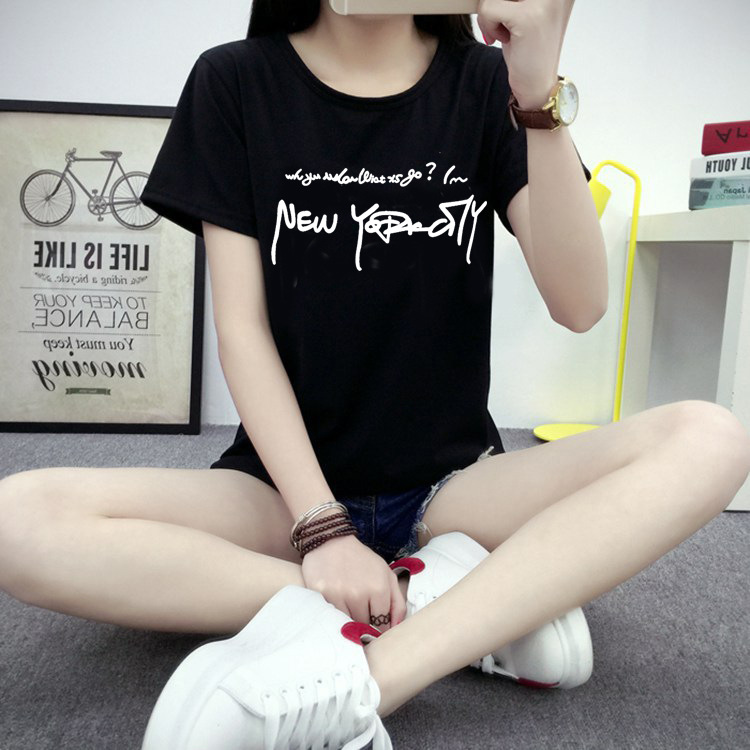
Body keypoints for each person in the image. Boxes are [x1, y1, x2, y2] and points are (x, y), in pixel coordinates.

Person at [1, 1, 749, 748]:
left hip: (453, 488)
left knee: (709, 440)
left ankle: (385, 671)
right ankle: (450, 599)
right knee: (17, 521)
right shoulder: (236, 80)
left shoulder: (485, 86)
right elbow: (243, 332)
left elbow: (580, 304)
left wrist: (535, 93)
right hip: (280, 493)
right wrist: (323, 530)